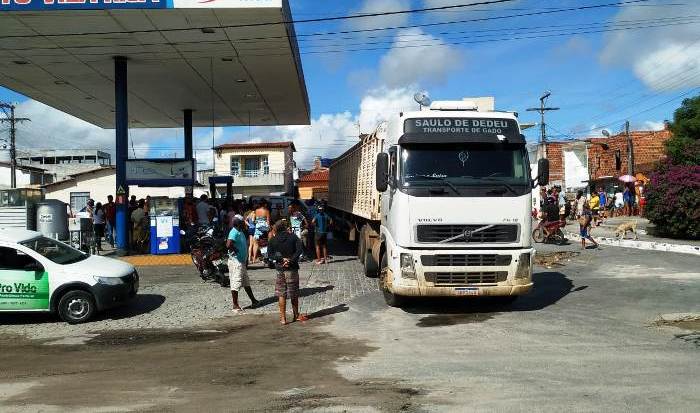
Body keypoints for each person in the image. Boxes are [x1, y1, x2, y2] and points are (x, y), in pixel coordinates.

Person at [268, 219, 308, 325]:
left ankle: (283, 318)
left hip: (280, 269)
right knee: (294, 293)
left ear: (276, 228)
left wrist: (281, 260)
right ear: (285, 227)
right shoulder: (293, 237)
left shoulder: (273, 239)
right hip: (292, 268)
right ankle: (296, 315)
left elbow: (270, 255)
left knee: (282, 294)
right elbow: (299, 250)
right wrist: (290, 260)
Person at [226, 215, 259, 313]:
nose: (244, 223)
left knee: (246, 282)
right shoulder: (234, 232)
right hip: (236, 261)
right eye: (242, 222)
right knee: (236, 282)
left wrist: (245, 259)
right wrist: (235, 250)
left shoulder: (240, 232)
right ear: (239, 223)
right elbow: (228, 244)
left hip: (241, 261)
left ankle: (253, 300)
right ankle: (235, 305)